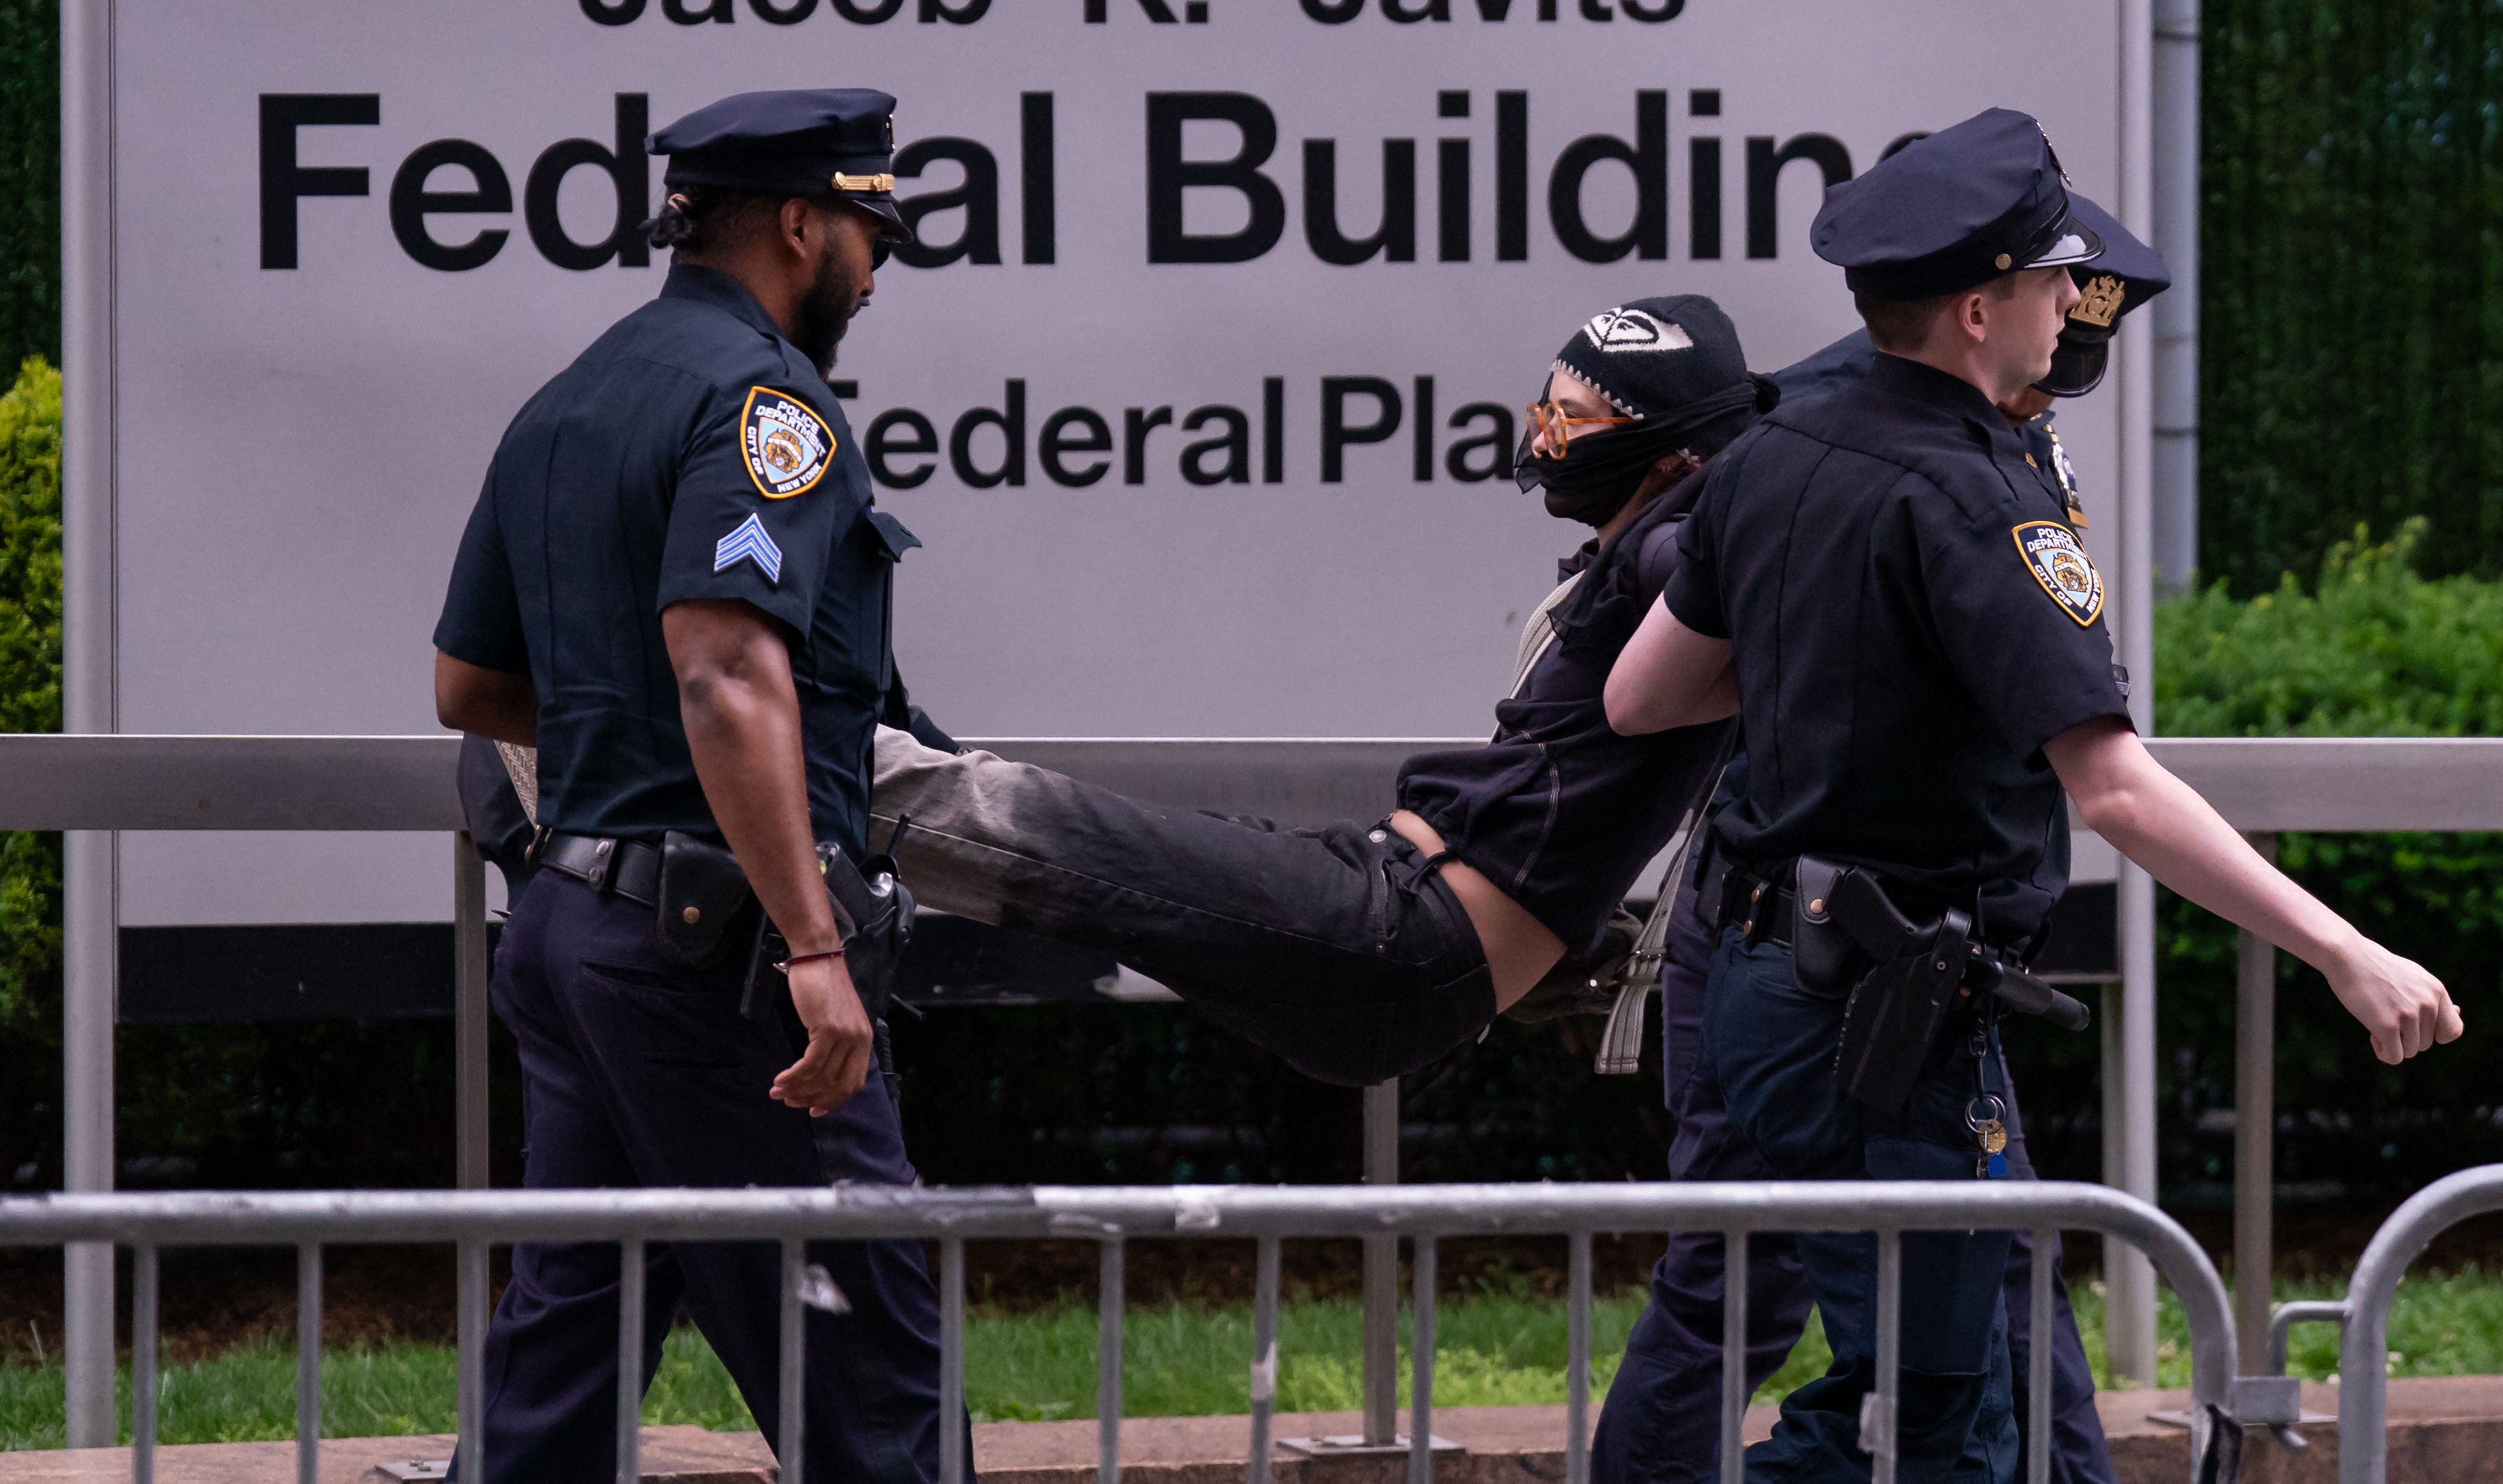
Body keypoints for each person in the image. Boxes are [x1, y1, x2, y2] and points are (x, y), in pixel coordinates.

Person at [1604, 108, 2461, 1483]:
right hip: (1881, 1015)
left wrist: (1852, 665)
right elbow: (2113, 790)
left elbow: (1643, 697)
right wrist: (2345, 952)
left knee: (1932, 1390)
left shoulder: (1771, 453)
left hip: (1767, 987)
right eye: (2054, 278)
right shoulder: (1975, 501)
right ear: (1975, 308)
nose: (2073, 301)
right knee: (1936, 1421)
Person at [1590, 195, 2168, 1484]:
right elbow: (1670, 634)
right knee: (1768, 1299)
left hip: (1882, 963)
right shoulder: (1849, 435)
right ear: (1982, 312)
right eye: (2053, 339)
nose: (2048, 388)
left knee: (1985, 1302)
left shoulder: (1978, 438)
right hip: (1810, 949)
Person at [430, 87, 958, 1483]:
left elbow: (469, 688)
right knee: (876, 1379)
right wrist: (814, 947)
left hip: (572, 933)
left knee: (564, 1370)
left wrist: (642, 738)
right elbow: (725, 667)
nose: (875, 271)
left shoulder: (570, 398)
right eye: (869, 234)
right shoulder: (765, 401)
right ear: (799, 225)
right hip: (716, 962)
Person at [865, 295, 1772, 1087]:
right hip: (1391, 904)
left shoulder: (1675, 556)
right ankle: (837, 776)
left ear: (1672, 458)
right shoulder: (1642, 554)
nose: (1543, 441)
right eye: (1544, 412)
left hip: (1401, 943)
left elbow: (1731, 564)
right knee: (1078, 854)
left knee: (1059, 836)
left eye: (1571, 424)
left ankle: (821, 771)